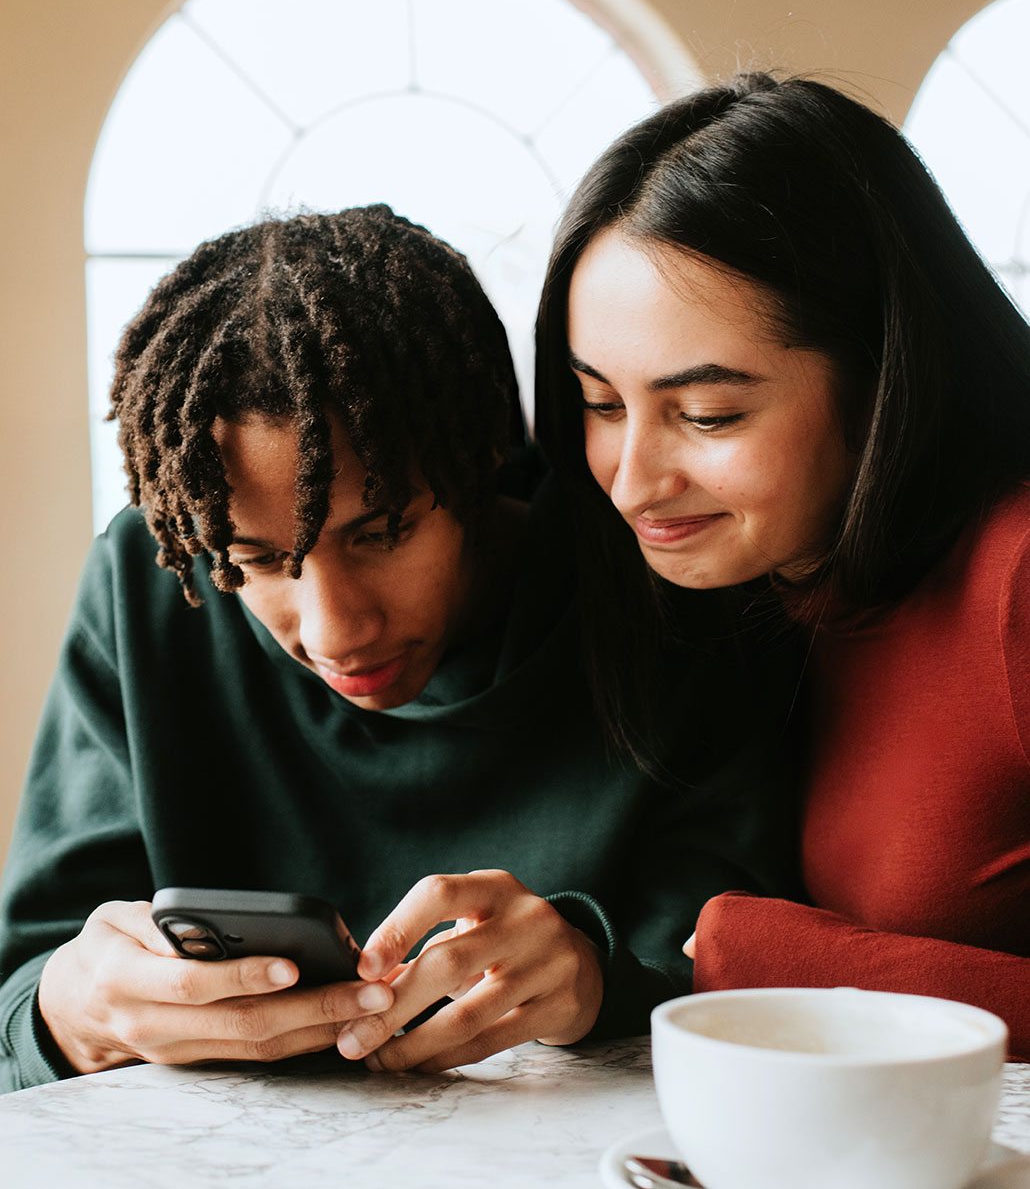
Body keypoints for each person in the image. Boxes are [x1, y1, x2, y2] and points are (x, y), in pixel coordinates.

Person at [0, 205, 799, 1093]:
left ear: (479, 460)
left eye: (381, 532)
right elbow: (22, 1001)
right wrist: (70, 1014)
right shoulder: (150, 582)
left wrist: (595, 977)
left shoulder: (663, 583)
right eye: (254, 561)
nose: (336, 629)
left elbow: (761, 976)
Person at [535, 72, 1030, 1057]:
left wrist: (790, 961)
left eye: (707, 413)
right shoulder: (740, 582)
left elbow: (755, 947)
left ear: (882, 373)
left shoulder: (1015, 580)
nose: (633, 480)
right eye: (599, 402)